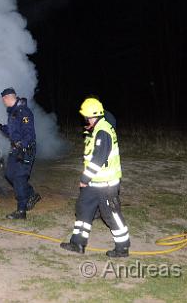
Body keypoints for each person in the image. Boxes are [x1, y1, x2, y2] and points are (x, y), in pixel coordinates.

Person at [60, 97, 130, 257]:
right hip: (94, 183)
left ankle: (123, 247)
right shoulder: (97, 129)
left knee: (111, 215)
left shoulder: (103, 131)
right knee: (83, 209)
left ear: (95, 115)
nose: (86, 120)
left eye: (88, 117)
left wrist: (85, 178)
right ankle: (77, 243)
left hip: (106, 185)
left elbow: (98, 159)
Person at [0, 87, 41, 219]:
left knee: (19, 177)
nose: (3, 102)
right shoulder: (13, 113)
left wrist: (22, 147)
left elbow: (29, 134)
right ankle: (31, 194)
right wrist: (0, 127)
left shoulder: (23, 112)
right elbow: (13, 132)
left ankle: (21, 210)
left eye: (3, 100)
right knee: (9, 175)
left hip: (25, 150)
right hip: (15, 149)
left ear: (8, 98)